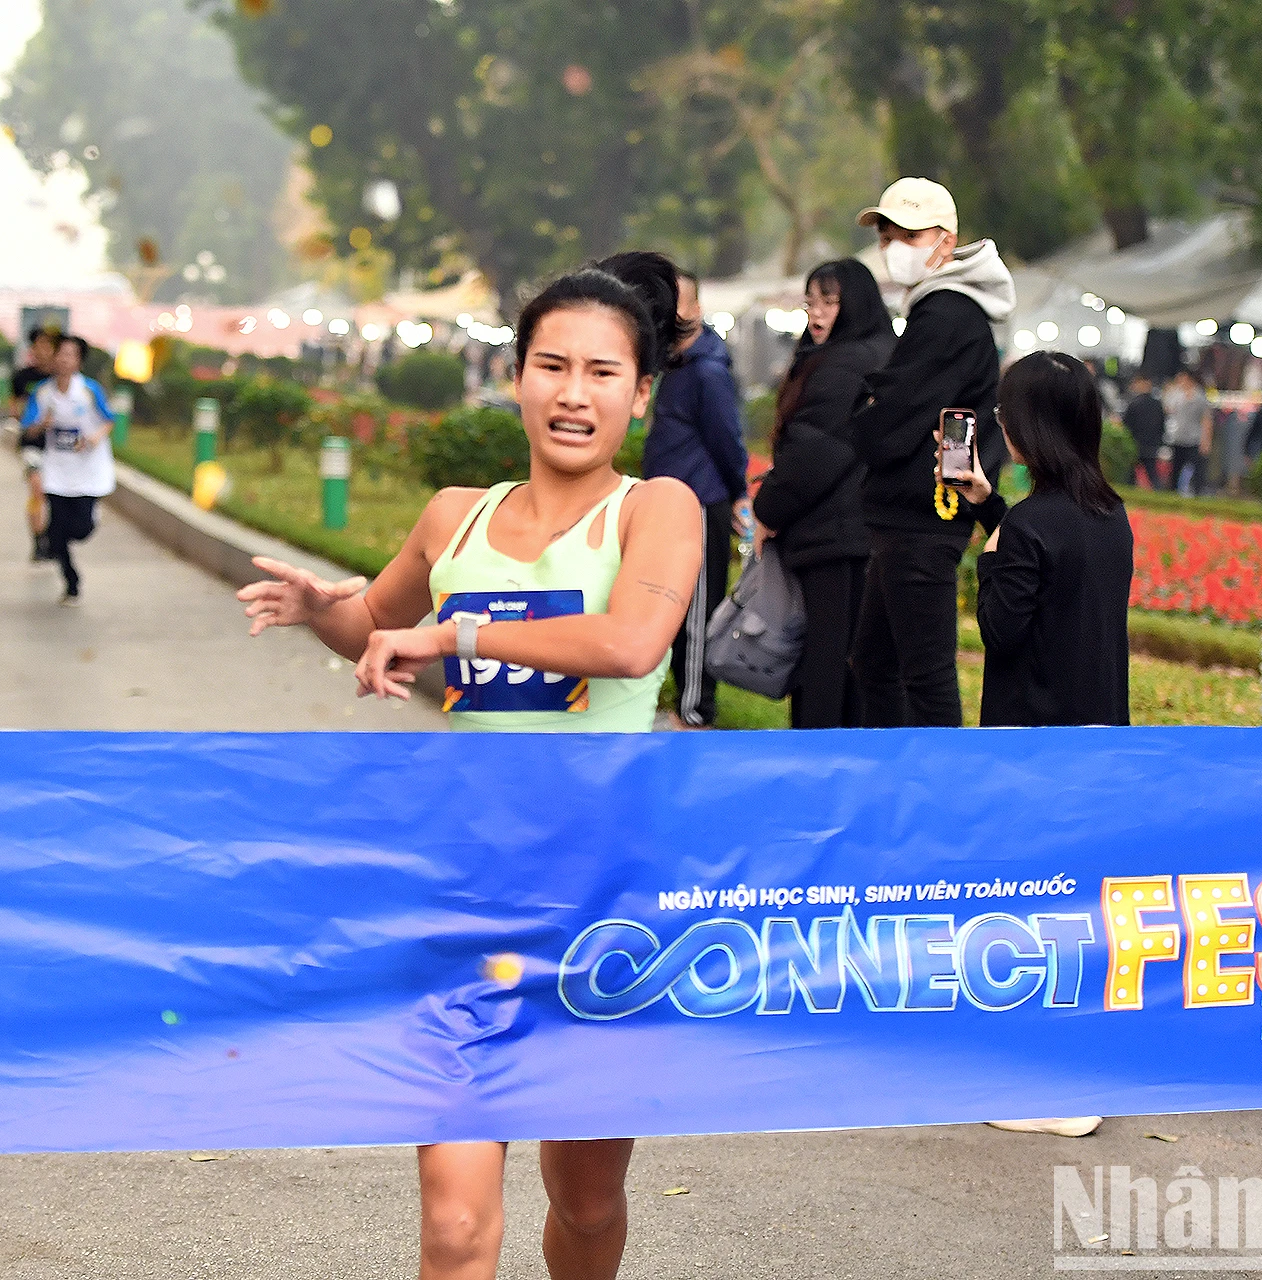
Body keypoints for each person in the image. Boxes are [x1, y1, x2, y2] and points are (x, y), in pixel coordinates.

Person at [238, 266, 703, 1279]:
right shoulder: (454, 515)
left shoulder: (655, 510)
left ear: (639, 392)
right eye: (551, 366)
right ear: (517, 376)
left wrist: (465, 628)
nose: (573, 392)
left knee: (585, 1206)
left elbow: (630, 642)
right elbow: (375, 625)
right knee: (453, 1223)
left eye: (601, 371)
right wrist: (324, 606)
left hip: (602, 896)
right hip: (464, 888)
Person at [847, 177, 1016, 728]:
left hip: (921, 519)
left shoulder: (945, 313)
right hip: (913, 515)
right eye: (887, 233)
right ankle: (900, 779)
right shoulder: (942, 310)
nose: (893, 245)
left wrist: (869, 406)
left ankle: (940, 792)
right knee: (876, 662)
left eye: (909, 233)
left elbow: (885, 424)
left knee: (924, 675)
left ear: (947, 241)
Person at [952, 350, 1132, 729]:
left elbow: (999, 632)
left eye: (1005, 414)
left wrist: (989, 560)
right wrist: (989, 506)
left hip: (1033, 739)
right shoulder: (1112, 512)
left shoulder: (1028, 522)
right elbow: (1052, 560)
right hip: (1101, 725)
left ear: (1031, 426)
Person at [753, 259, 894, 728]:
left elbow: (813, 455)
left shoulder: (845, 363)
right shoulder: (879, 354)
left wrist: (767, 507)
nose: (816, 314)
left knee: (824, 663)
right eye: (810, 302)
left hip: (833, 534)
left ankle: (815, 765)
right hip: (862, 530)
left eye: (829, 303)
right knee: (852, 660)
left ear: (854, 305)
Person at [640, 267, 747, 728]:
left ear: (697, 309)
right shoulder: (675, 365)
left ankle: (696, 711)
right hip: (666, 505)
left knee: (697, 612)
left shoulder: (707, 371)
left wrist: (739, 494)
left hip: (700, 505)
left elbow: (728, 440)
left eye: (676, 301)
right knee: (664, 606)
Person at [21, 335, 115, 605]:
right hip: (57, 470)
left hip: (87, 469)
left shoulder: (89, 390)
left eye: (70, 355)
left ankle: (83, 522)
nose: (63, 360)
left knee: (81, 529)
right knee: (57, 531)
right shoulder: (42, 392)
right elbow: (28, 428)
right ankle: (71, 581)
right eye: (60, 354)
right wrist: (43, 423)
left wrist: (96, 437)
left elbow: (109, 420)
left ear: (78, 361)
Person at [12, 328, 59, 561]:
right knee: (37, 489)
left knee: (55, 495)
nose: (43, 351)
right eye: (38, 346)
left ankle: (53, 535)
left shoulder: (62, 378)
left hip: (59, 446)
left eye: (48, 346)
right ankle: (38, 538)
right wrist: (34, 423)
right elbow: (15, 410)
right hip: (33, 442)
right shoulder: (23, 378)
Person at [1162, 368, 1209, 495]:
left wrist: (1206, 440)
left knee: (1196, 468)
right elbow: (1168, 409)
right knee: (1175, 468)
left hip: (1194, 437)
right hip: (1178, 437)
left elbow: (1206, 419)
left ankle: (1197, 492)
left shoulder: (1199, 396)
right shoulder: (1176, 394)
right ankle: (1172, 491)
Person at [1121, 374, 1166, 489]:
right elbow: (1162, 425)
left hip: (1135, 443)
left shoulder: (1134, 403)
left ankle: (1129, 492)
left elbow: (1126, 425)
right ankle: (1158, 492)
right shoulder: (1157, 404)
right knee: (1152, 474)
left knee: (1130, 475)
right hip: (1152, 444)